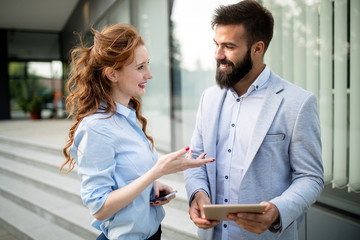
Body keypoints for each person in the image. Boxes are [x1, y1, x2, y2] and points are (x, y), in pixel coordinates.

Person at [184, 1, 324, 240]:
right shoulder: (209, 98)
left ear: (257, 48)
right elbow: (195, 158)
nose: (218, 55)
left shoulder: (298, 103)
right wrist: (197, 193)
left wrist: (278, 211)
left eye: (228, 46)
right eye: (216, 44)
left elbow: (310, 177)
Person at [60, 23, 214, 240]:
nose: (149, 74)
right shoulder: (95, 128)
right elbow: (100, 207)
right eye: (140, 67)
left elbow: (126, 178)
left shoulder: (128, 116)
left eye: (147, 65)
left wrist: (152, 187)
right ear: (112, 74)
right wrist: (155, 172)